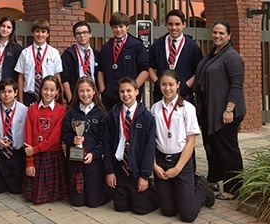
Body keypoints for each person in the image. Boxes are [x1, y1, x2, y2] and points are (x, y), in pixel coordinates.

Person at [151, 70, 215, 222]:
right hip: (161, 161)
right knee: (167, 211)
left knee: (187, 215)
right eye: (164, 84)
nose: (167, 88)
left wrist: (177, 168)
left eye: (171, 84)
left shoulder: (187, 108)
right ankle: (177, 192)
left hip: (181, 161)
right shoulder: (155, 109)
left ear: (178, 85)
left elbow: (191, 141)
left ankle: (201, 187)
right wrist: (154, 165)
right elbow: (150, 141)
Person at [194, 20, 246, 200]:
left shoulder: (232, 57)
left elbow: (237, 85)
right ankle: (214, 179)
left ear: (229, 36)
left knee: (228, 150)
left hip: (226, 112)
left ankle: (234, 188)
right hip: (211, 111)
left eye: (221, 33)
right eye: (215, 32)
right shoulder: (213, 54)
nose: (217, 36)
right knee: (213, 148)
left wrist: (229, 109)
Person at [103, 76, 158, 215]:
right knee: (120, 207)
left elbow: (149, 147)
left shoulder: (147, 117)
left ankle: (156, 191)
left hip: (137, 169)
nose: (126, 94)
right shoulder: (113, 115)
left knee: (140, 209)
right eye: (122, 91)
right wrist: (109, 171)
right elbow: (108, 143)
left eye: (129, 91)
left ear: (136, 91)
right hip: (120, 168)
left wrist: (145, 176)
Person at [61, 77, 108, 207]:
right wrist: (72, 139)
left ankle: (106, 192)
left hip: (93, 161)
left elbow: (104, 140)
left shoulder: (101, 114)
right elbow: (64, 134)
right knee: (77, 202)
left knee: (93, 203)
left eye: (88, 90)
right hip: (75, 159)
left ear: (94, 91)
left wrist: (94, 154)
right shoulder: (71, 113)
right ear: (77, 93)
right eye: (81, 91)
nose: (85, 94)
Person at [22, 75, 67, 204]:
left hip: (52, 155)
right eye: (45, 89)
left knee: (52, 196)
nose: (48, 93)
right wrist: (29, 161)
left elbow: (55, 138)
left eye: (52, 90)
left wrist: (35, 149)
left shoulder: (61, 111)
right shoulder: (32, 109)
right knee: (36, 197)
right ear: (40, 90)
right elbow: (28, 135)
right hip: (35, 156)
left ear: (57, 92)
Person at [148, 9, 203, 104]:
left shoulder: (192, 46)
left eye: (177, 24)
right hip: (161, 96)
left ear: (184, 25)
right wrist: (157, 82)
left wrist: (186, 85)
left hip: (184, 96)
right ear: (166, 25)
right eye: (170, 24)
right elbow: (149, 65)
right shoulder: (158, 44)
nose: (173, 28)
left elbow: (199, 70)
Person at [98, 12, 149, 110]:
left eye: (121, 26)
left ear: (127, 27)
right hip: (109, 99)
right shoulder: (106, 48)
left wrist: (132, 89)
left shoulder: (137, 46)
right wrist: (103, 89)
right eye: (115, 27)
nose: (118, 30)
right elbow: (100, 70)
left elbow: (145, 71)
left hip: (129, 98)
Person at [0, 78, 27, 194]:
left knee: (15, 189)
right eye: (3, 92)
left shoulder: (24, 110)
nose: (6, 95)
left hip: (16, 152)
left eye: (10, 91)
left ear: (16, 92)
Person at [15, 18, 63, 106]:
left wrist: (59, 96)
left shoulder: (54, 53)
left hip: (48, 95)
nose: (40, 34)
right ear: (32, 33)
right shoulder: (25, 53)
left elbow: (57, 75)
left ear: (48, 34)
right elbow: (21, 77)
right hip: (29, 95)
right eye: (37, 31)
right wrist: (21, 100)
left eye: (43, 31)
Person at [61, 21, 99, 105]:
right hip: (75, 96)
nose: (82, 36)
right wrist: (70, 99)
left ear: (90, 34)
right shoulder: (69, 54)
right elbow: (65, 79)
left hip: (93, 95)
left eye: (85, 32)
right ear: (74, 36)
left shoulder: (97, 54)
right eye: (78, 33)